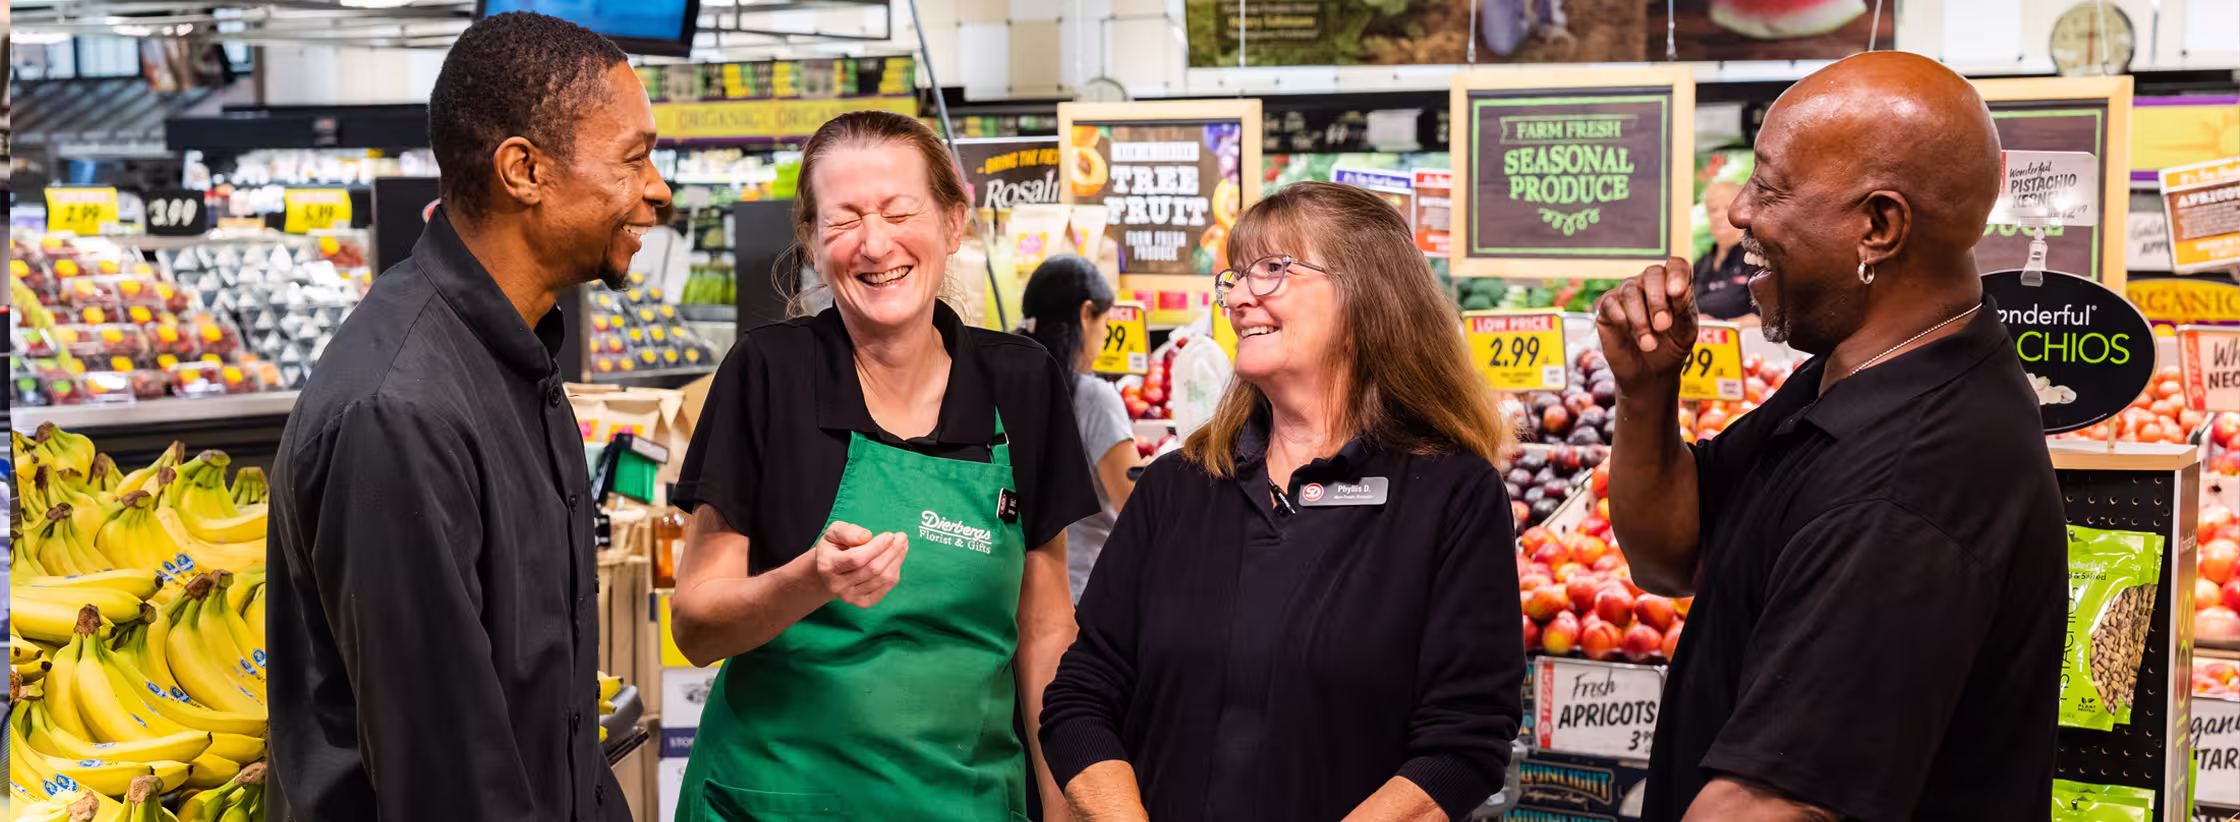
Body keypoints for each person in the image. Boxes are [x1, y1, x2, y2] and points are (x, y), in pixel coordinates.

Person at [1596, 52, 2064, 822]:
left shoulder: (1911, 483)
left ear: (1878, 226)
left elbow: (1771, 807)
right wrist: (1647, 394)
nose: (1741, 212)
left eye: (1770, 187)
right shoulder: (1853, 376)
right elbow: (1671, 555)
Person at [266, 12, 662, 821]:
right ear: (524, 170)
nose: (656, 189)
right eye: (634, 159)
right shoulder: (398, 410)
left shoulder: (515, 358)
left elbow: (542, 696)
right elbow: (445, 777)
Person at [1041, 181, 1524, 820]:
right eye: (1237, 276)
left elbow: (1465, 737)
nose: (1240, 296)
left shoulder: (1451, 495)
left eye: (1272, 270)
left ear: (1366, 296)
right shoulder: (1174, 490)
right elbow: (1081, 697)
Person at [666, 110, 1099, 822]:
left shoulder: (1020, 383)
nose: (874, 244)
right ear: (811, 239)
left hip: (964, 802)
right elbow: (697, 626)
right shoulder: (768, 373)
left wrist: (1062, 809)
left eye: (900, 212)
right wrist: (809, 580)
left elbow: (1046, 627)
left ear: (954, 224)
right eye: (842, 222)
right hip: (775, 801)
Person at [1018, 254, 1137, 601]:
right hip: (1082, 596)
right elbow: (1136, 507)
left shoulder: (1008, 385)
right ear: (1086, 314)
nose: (1103, 339)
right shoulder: (1093, 397)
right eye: (1105, 323)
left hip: (1014, 595)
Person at [1692, 180, 1755, 322]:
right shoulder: (1701, 264)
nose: (1719, 216)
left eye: (1727, 207)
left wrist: (1717, 326)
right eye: (1713, 209)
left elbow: (1761, 320)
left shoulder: (1757, 259)